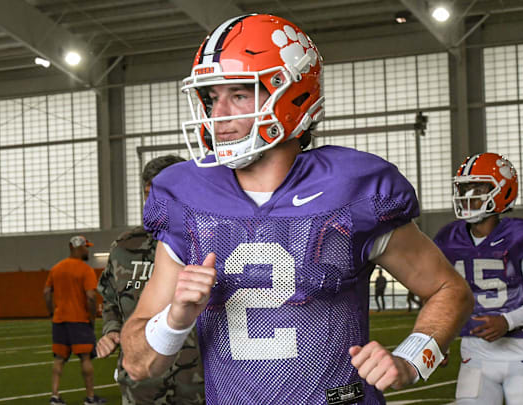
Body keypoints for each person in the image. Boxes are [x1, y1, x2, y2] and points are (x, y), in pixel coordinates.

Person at [120, 13, 473, 404]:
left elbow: (449, 289)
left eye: (238, 94)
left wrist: (410, 360)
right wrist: (175, 319)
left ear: (292, 94)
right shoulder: (187, 200)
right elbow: (138, 364)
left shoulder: (350, 190)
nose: (218, 116)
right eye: (210, 97)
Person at [433, 152, 523, 405]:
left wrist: (507, 321)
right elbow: (445, 295)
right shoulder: (450, 238)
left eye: (478, 187)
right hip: (475, 351)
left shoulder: (520, 235)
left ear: (503, 191)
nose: (469, 196)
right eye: (465, 188)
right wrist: (441, 340)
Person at [96, 155, 205, 404]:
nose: (156, 202)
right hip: (141, 384)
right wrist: (112, 331)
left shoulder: (208, 243)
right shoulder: (124, 247)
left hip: (198, 383)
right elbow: (111, 299)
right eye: (149, 194)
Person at [43, 236, 106, 405]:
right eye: (86, 247)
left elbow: (47, 292)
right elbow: (91, 297)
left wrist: (51, 312)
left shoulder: (57, 268)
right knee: (85, 358)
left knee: (59, 359)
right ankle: (91, 397)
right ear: (78, 248)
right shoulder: (85, 270)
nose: (88, 250)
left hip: (60, 319)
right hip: (79, 320)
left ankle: (54, 396)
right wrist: (91, 317)